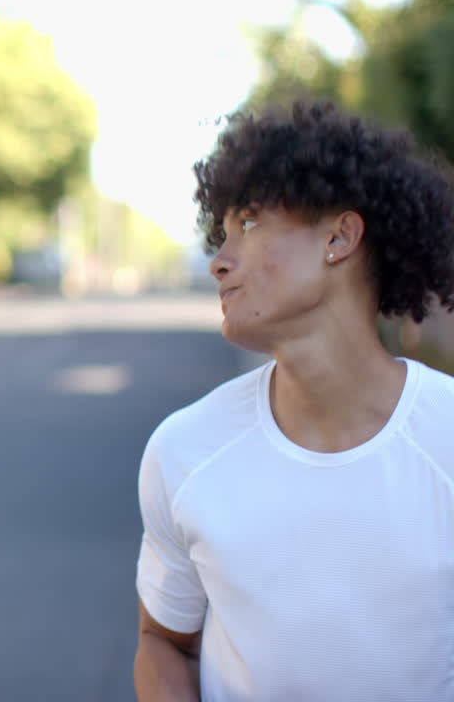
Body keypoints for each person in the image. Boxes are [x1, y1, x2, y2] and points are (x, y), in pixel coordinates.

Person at [133, 99, 454, 701]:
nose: (218, 262)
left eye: (249, 223)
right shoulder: (183, 452)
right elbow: (163, 642)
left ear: (339, 236)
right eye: (221, 233)